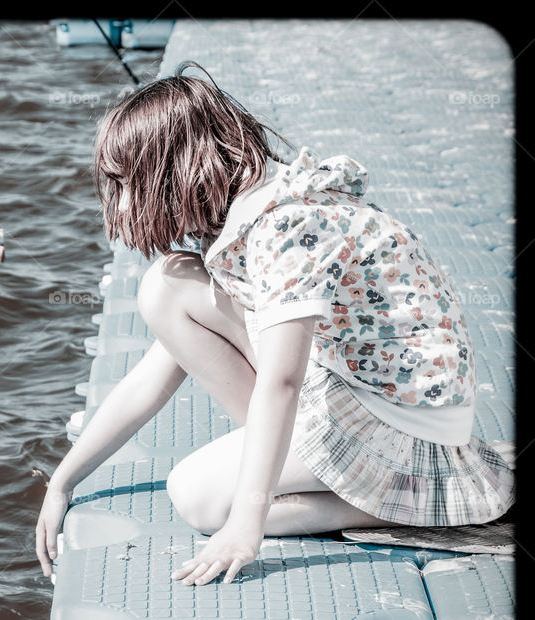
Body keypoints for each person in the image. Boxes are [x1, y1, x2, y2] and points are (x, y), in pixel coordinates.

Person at [34, 60, 515, 587]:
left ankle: (416, 502)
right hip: (371, 393)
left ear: (171, 170)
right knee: (166, 286)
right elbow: (154, 374)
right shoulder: (248, 211)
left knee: (197, 497)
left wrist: (248, 524)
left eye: (125, 183)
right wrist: (62, 481)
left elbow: (282, 384)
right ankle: (314, 473)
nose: (120, 202)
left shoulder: (285, 229)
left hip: (401, 425)